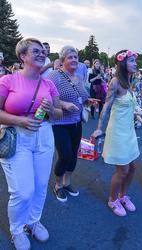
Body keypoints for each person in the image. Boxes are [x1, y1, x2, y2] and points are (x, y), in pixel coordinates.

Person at [0, 38, 63, 250]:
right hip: (17, 137)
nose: (41, 54)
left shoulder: (49, 84)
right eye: (35, 51)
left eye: (42, 51)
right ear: (23, 56)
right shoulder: (8, 81)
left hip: (44, 136)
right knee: (22, 191)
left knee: (40, 186)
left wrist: (51, 110)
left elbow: (58, 113)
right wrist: (20, 120)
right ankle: (17, 230)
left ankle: (33, 221)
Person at [92, 50, 140, 217]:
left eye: (135, 61)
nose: (135, 63)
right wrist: (99, 127)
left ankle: (123, 196)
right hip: (118, 132)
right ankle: (112, 200)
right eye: (132, 61)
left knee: (133, 167)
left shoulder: (130, 80)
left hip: (129, 131)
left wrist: (137, 112)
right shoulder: (115, 82)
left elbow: (128, 105)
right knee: (123, 171)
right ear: (122, 63)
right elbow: (106, 106)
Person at [48, 45, 92, 202]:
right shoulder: (54, 76)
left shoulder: (78, 78)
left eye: (76, 57)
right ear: (62, 60)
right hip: (60, 123)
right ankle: (58, 185)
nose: (74, 60)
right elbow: (46, 97)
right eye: (70, 57)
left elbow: (82, 97)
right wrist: (65, 104)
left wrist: (88, 101)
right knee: (65, 155)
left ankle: (67, 183)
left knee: (73, 155)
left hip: (76, 122)